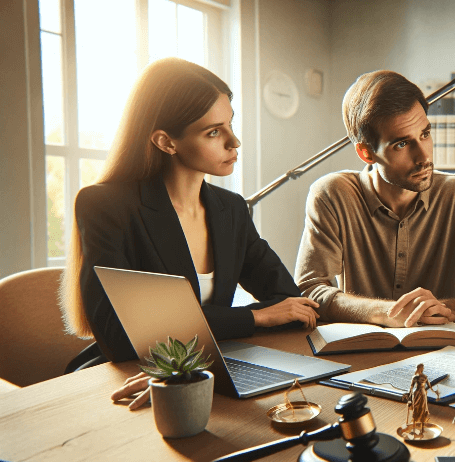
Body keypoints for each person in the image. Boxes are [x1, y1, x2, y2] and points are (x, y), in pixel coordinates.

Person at [60, 58, 319, 406]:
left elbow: (291, 305)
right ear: (166, 142)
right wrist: (254, 317)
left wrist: (268, 316)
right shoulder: (106, 205)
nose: (235, 142)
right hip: (128, 378)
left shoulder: (231, 209)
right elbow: (118, 332)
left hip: (209, 372)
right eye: (214, 132)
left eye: (230, 124)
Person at [294, 70, 455, 327]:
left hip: (437, 348)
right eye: (401, 144)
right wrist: (385, 312)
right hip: (360, 349)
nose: (424, 157)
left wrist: (450, 309)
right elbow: (311, 290)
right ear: (366, 153)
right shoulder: (332, 195)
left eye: (425, 134)